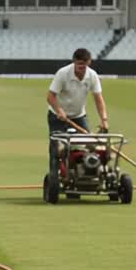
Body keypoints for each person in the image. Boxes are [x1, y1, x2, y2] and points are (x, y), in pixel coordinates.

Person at [46, 48, 109, 176]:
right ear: (74, 61)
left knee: (89, 146)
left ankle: (83, 175)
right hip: (57, 117)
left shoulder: (92, 76)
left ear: (89, 62)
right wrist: (59, 111)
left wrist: (104, 120)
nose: (81, 67)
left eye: (84, 65)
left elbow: (98, 99)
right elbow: (50, 96)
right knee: (57, 149)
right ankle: (54, 178)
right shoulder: (63, 73)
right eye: (78, 64)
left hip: (78, 116)